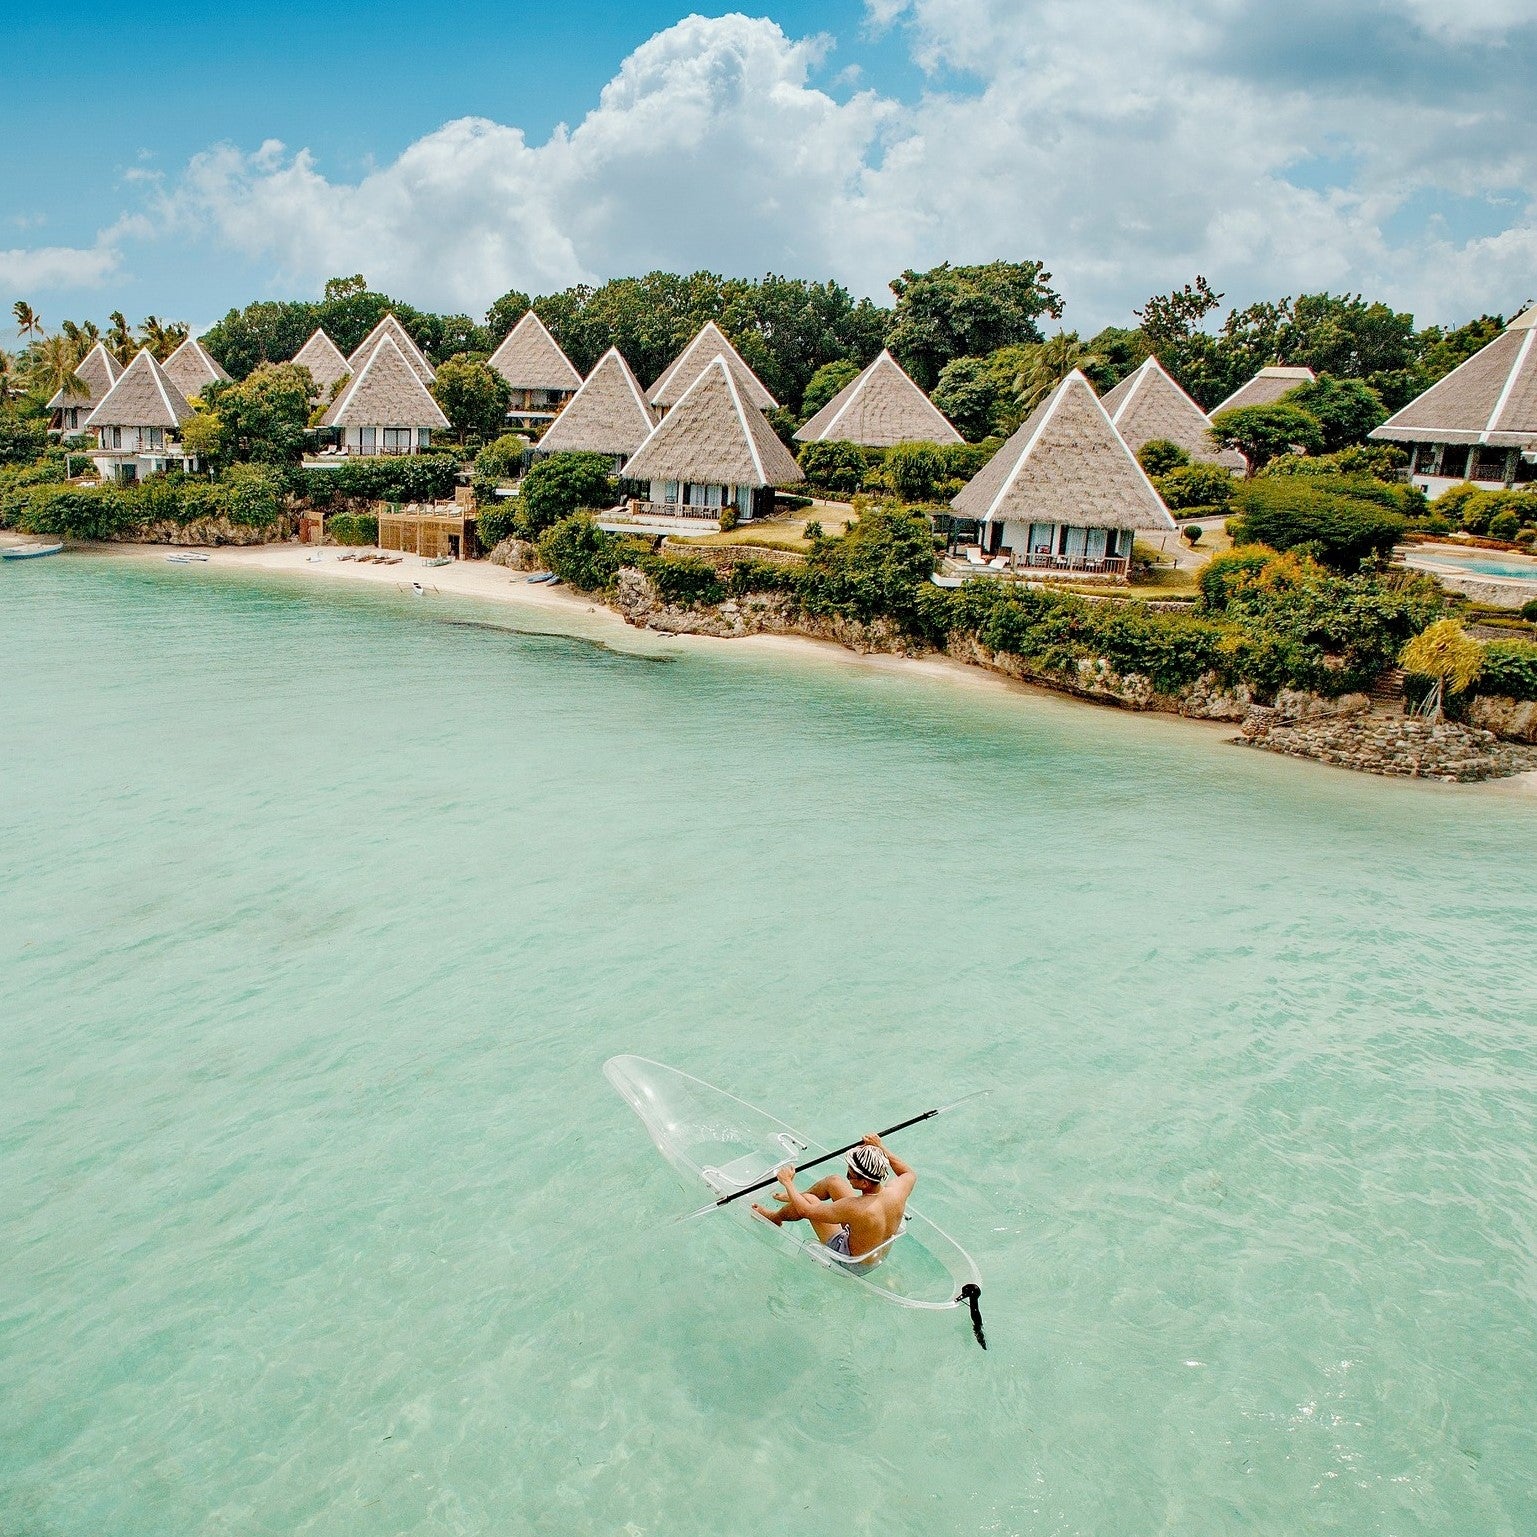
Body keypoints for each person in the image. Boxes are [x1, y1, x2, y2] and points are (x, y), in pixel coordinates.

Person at [751, 1132, 916, 1263]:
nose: (848, 1177)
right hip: (875, 1248)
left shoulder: (854, 1207)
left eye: (850, 1175)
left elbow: (805, 1211)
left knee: (809, 1200)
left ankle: (775, 1217)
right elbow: (908, 1172)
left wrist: (787, 1182)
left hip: (853, 1260)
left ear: (865, 1183)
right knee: (834, 1182)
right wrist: (880, 1147)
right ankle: (796, 1197)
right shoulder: (897, 1190)